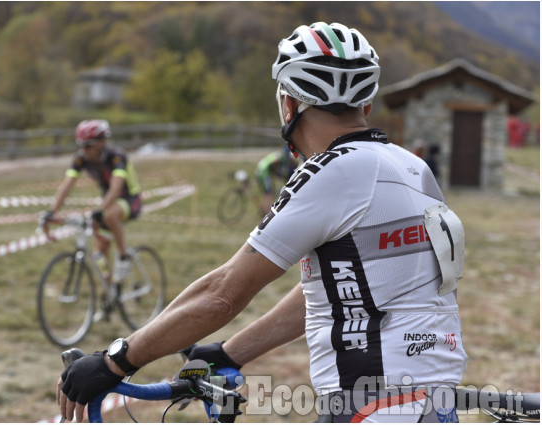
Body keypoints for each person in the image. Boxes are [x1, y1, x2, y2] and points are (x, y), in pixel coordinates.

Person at [56, 22, 467, 423]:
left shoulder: (331, 171)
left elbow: (222, 294)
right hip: (432, 401)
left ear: (288, 104)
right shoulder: (413, 168)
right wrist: (232, 353)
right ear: (366, 106)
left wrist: (115, 361)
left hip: (372, 405)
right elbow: (339, 288)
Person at [41, 119, 142, 284]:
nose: (83, 150)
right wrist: (52, 211)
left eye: (88, 145)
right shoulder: (81, 159)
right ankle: (108, 293)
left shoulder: (116, 157)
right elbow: (67, 185)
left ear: (101, 142)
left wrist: (100, 209)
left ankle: (124, 257)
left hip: (129, 199)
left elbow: (116, 189)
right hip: (107, 203)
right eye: (80, 145)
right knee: (99, 256)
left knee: (109, 215)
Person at [255, 144, 299, 215]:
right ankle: (267, 212)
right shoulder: (281, 158)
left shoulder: (282, 156)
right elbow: (271, 167)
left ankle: (266, 211)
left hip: (264, 170)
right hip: (264, 172)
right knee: (269, 193)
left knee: (270, 193)